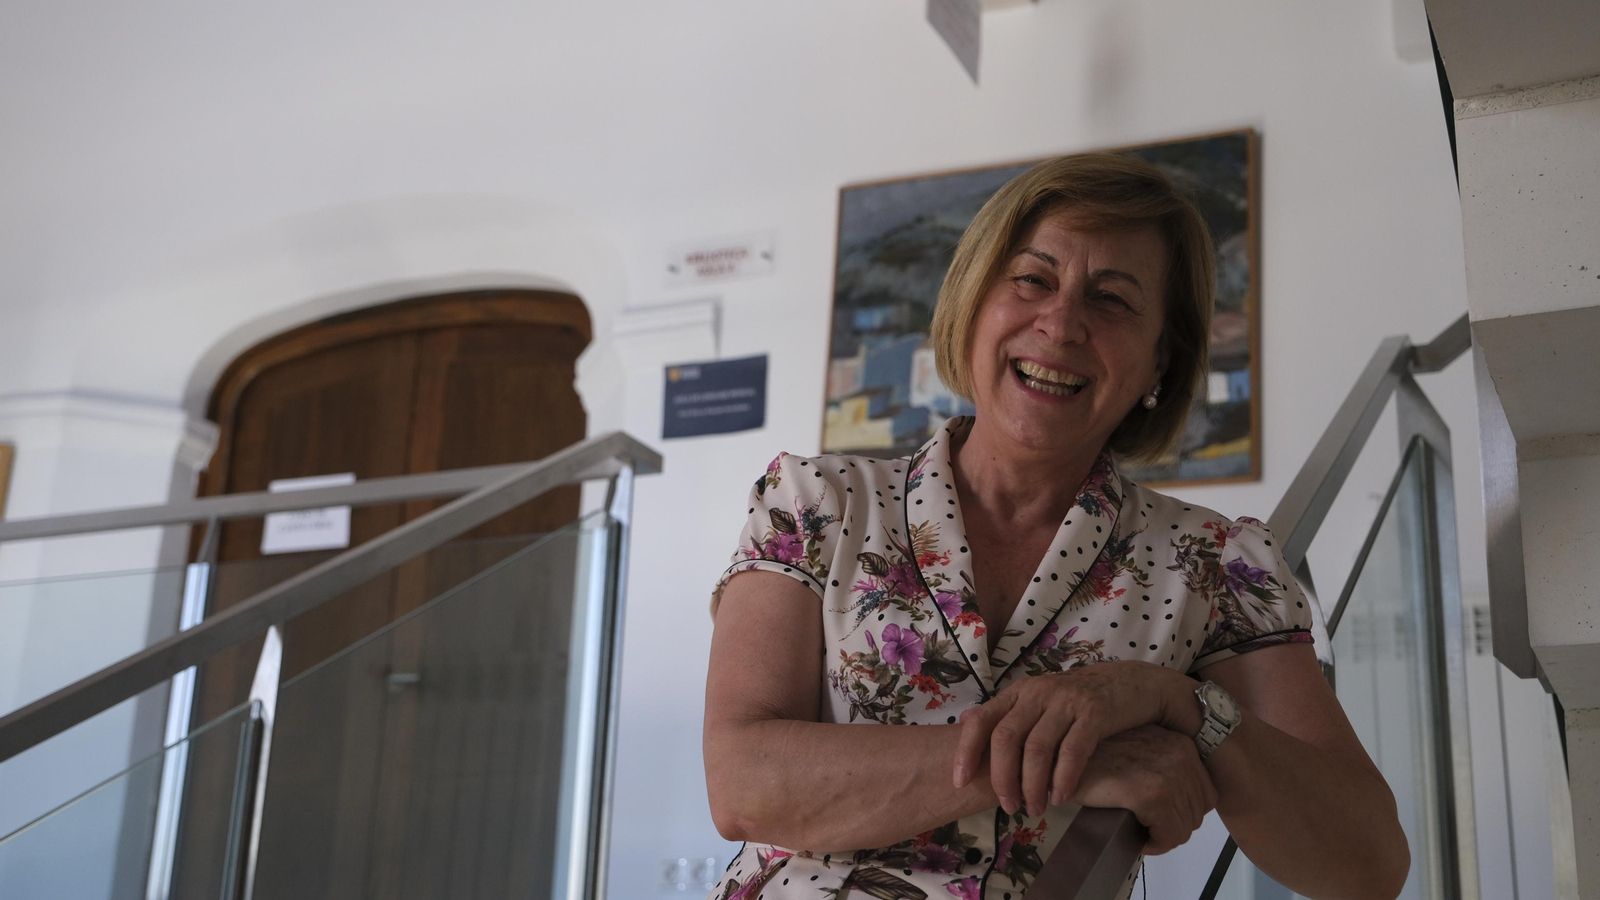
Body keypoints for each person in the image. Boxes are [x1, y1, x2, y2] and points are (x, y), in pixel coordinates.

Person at [702, 153, 1408, 900]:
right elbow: (744, 783)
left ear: (1159, 363)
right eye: (1033, 279)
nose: (1062, 322)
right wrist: (1081, 761)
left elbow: (1365, 865)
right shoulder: (816, 504)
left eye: (1112, 301)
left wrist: (1180, 705)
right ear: (975, 302)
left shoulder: (1215, 566)